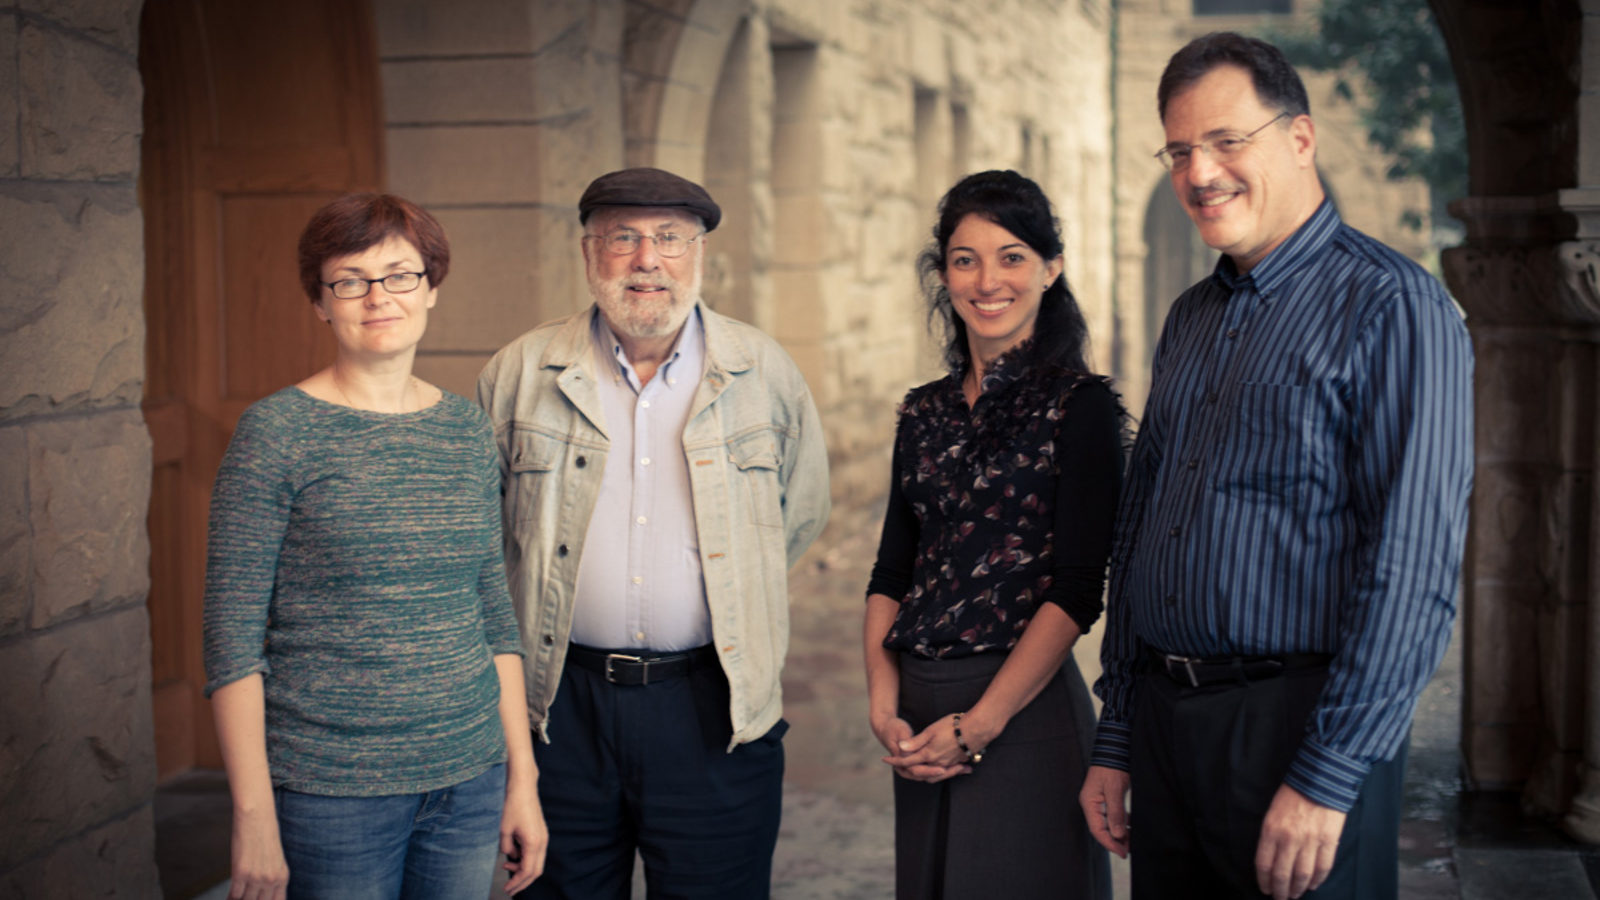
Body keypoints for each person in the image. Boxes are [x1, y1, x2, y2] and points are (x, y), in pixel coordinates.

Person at [1078, 32, 1474, 900]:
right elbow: (1147, 523)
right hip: (1167, 730)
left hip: (1298, 731)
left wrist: (1327, 776)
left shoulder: (1394, 308)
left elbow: (1412, 569)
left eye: (1227, 141)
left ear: (1300, 139)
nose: (1200, 172)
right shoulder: (1189, 316)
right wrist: (1118, 734)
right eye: (1180, 151)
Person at [475, 166, 830, 899]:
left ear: (700, 254)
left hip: (714, 712)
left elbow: (799, 516)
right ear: (587, 254)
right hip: (557, 714)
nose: (647, 259)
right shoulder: (519, 374)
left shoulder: (762, 374)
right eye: (623, 238)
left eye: (670, 238)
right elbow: (483, 541)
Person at [203, 193, 547, 900]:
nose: (377, 296)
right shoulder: (275, 434)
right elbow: (232, 639)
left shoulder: (465, 431)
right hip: (332, 792)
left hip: (469, 781)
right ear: (321, 303)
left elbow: (493, 614)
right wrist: (253, 816)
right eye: (350, 279)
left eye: (399, 275)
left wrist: (522, 779)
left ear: (432, 290)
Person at [863, 169, 1120, 900]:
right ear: (944, 275)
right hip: (919, 719)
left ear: (1050, 268)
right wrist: (885, 708)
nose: (988, 280)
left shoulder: (1082, 407)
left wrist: (978, 726)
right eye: (965, 259)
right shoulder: (923, 412)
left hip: (1021, 714)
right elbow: (891, 572)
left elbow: (1076, 591)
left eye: (1011, 256)